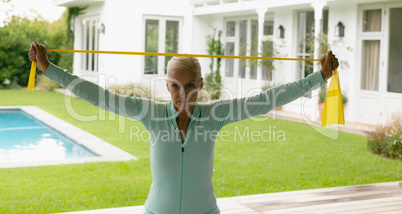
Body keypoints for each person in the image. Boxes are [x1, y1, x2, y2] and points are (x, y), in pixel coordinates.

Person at [28, 41, 339, 214]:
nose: (182, 93)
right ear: (166, 85)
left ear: (200, 84)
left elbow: (270, 98)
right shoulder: (148, 113)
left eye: (189, 85)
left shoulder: (215, 115)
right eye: (175, 86)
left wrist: (319, 77)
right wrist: (50, 69)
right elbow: (101, 97)